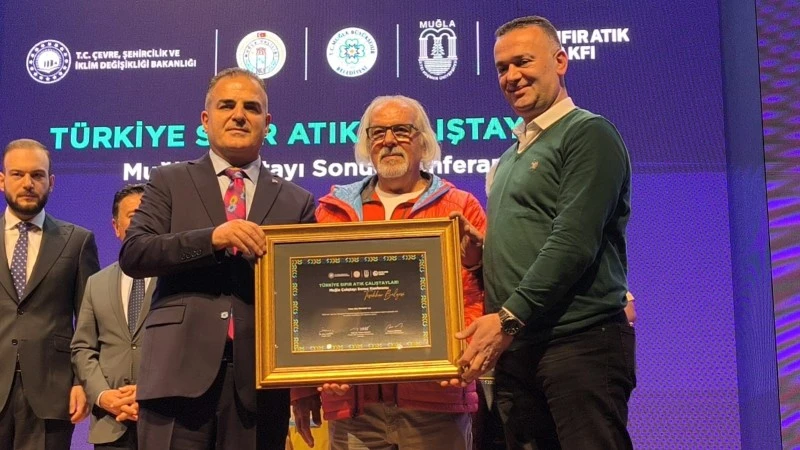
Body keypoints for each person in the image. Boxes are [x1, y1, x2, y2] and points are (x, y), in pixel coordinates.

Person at [454, 16, 636, 449]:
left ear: (560, 61)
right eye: (502, 68)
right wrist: (485, 255)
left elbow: (573, 243)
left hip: (579, 344)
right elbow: (537, 239)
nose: (511, 76)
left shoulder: (588, 133)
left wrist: (508, 318)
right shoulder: (510, 156)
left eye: (523, 62)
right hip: (520, 349)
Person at [118, 67, 316, 449]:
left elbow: (304, 300)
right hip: (176, 374)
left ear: (267, 124)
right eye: (227, 105)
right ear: (206, 120)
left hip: (259, 383)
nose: (239, 115)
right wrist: (212, 239)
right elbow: (135, 253)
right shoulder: (169, 180)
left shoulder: (297, 201)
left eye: (251, 108)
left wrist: (306, 381)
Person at [291, 95, 486, 450]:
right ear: (367, 144)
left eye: (402, 130)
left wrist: (461, 357)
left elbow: (479, 297)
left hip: (435, 400)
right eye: (378, 132)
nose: (389, 140)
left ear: (423, 141)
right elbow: (307, 307)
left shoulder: (460, 207)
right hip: (353, 407)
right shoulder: (331, 213)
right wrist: (308, 380)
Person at [0, 138, 100, 449]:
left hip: (52, 392)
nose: (27, 183)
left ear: (51, 182)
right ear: (2, 181)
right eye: (18, 174)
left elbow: (90, 321)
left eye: (37, 175)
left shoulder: (78, 241)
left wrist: (82, 382)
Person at [71, 184, 153, 449]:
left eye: (148, 215)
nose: (141, 222)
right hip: (110, 424)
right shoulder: (96, 283)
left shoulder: (177, 281)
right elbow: (83, 348)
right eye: (133, 216)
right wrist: (102, 395)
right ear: (116, 227)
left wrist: (150, 392)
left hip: (164, 421)